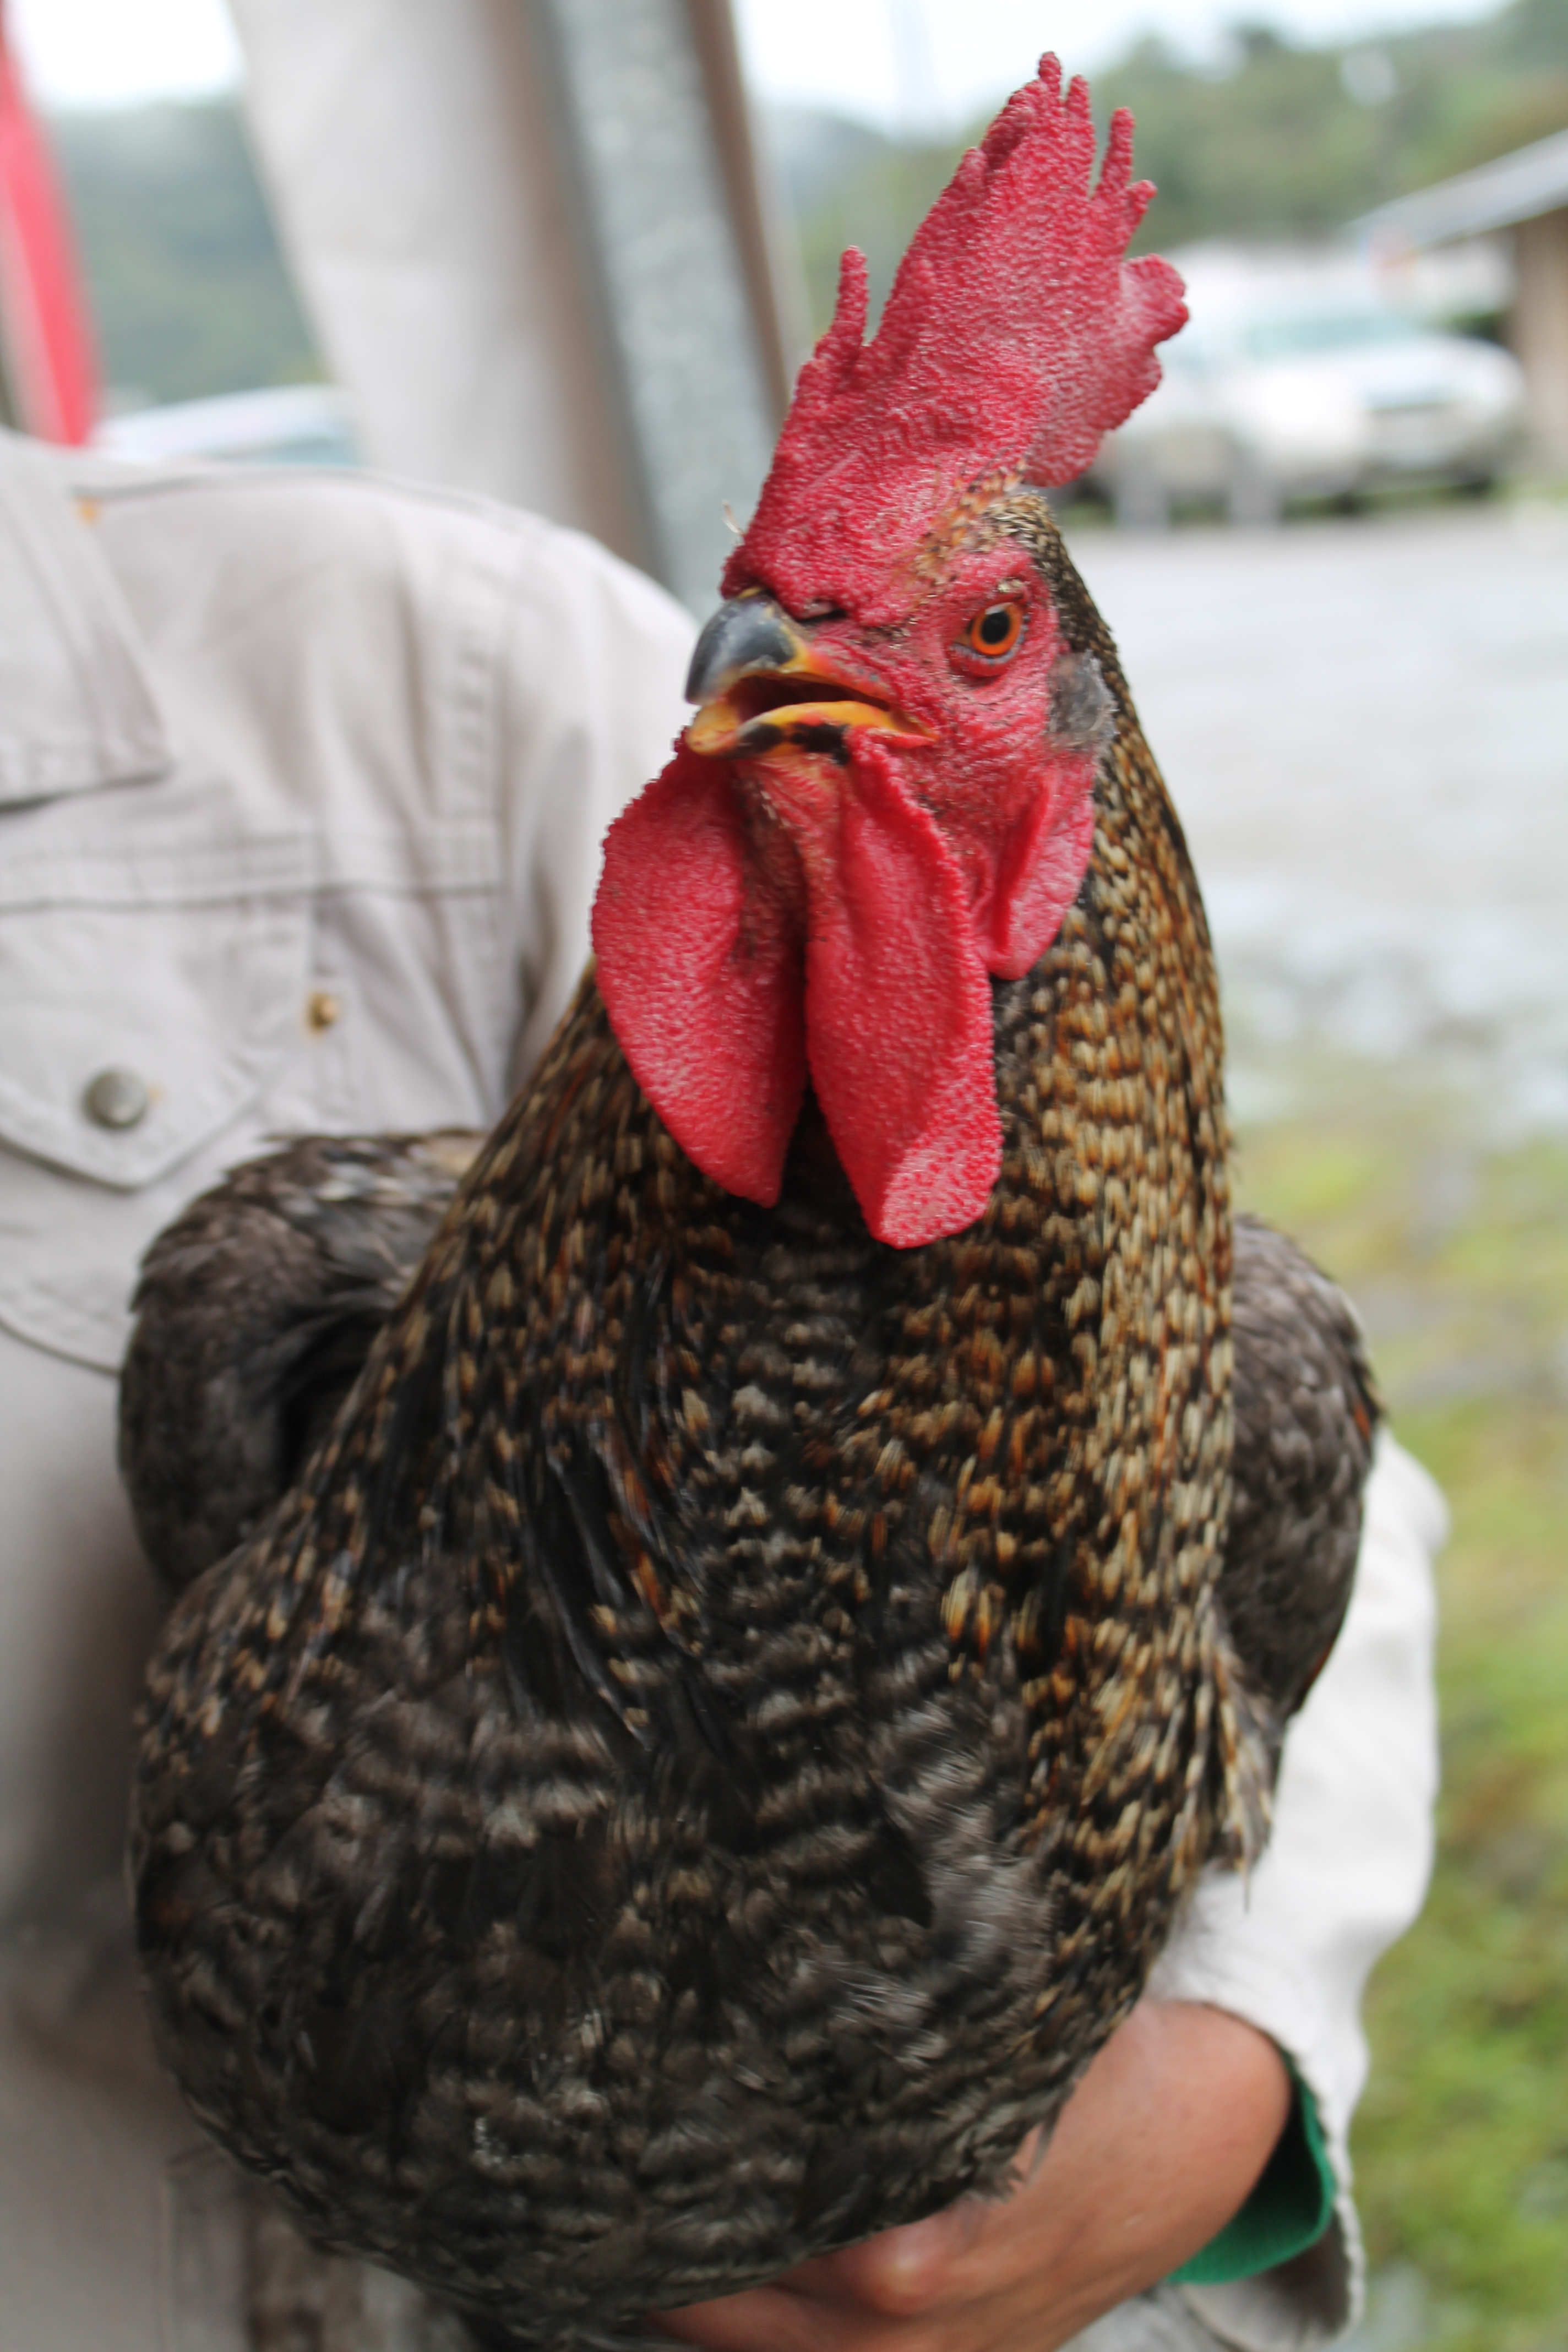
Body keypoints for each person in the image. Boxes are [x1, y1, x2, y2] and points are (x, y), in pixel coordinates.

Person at [0, 422, 1442, 2352]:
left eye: (983, 630)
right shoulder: (288, 1313)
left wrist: (1228, 2078)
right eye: (785, 614)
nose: (784, 647)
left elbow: (1282, 1540)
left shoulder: (444, 650)